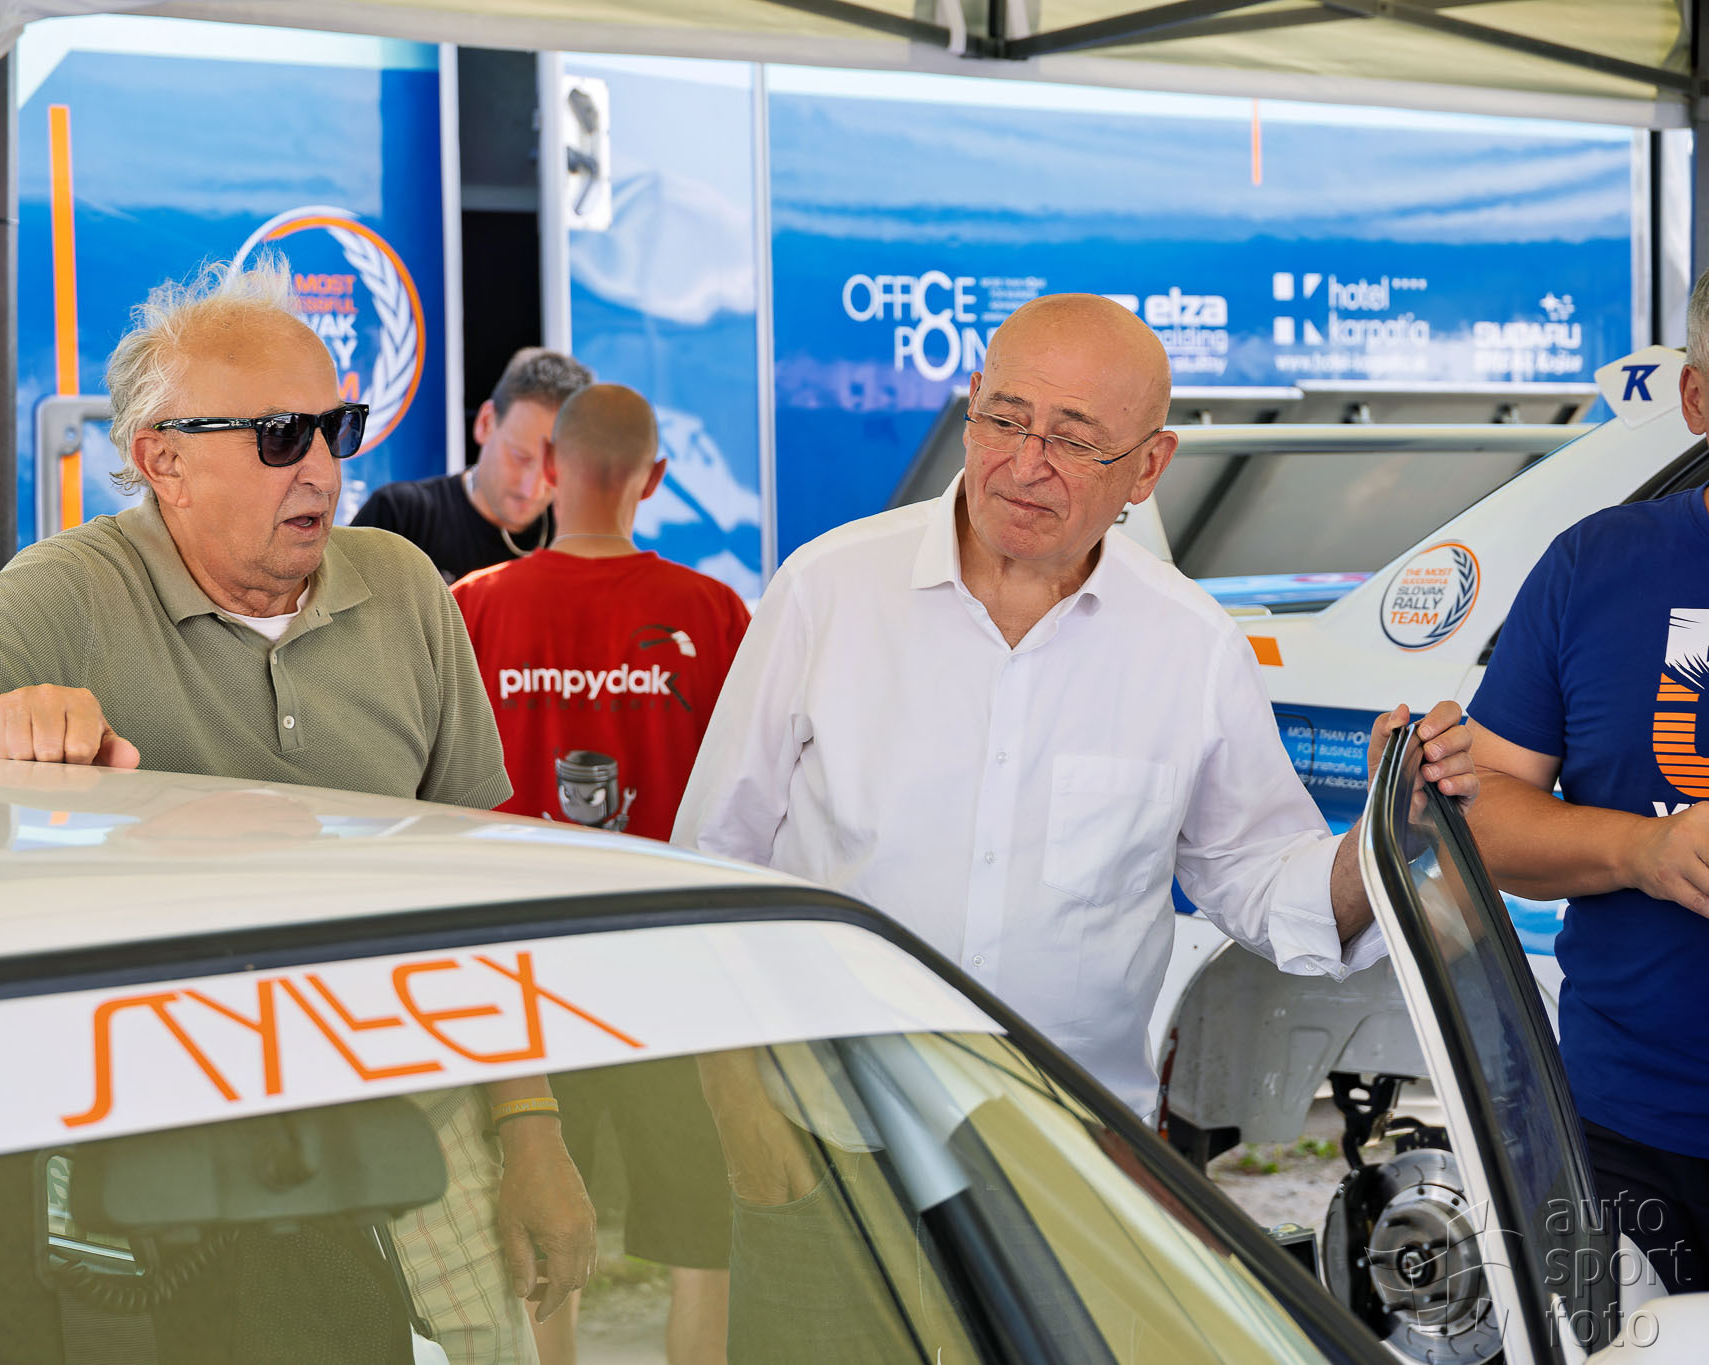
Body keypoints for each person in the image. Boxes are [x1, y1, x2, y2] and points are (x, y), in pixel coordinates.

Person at [0, 257, 593, 1363]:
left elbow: (479, 895)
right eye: (280, 437)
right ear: (164, 462)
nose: (323, 468)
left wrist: (532, 1129)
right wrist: (2, 717)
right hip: (188, 1161)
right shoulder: (82, 584)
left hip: (414, 1107)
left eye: (335, 429)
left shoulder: (405, 589)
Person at [672, 293, 1476, 1120]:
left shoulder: (1189, 645)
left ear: (1149, 466)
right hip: (828, 1127)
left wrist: (1387, 828)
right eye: (1005, 420)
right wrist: (731, 1102)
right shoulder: (827, 590)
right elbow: (711, 862)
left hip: (1069, 1146)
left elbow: (1261, 881)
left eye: (1075, 441)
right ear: (972, 404)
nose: (1026, 464)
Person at [452, 384, 750, 1365]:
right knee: (705, 1242)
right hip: (677, 978)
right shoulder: (713, 614)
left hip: (522, 986)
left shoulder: (473, 607)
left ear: (548, 469)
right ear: (653, 479)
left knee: (543, 1240)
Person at [1463, 277, 1709, 1295]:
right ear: (1696, 399)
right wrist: (1643, 851)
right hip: (1624, 1132)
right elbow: (1482, 814)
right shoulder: (1595, 566)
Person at [354, 348, 592, 583]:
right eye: (520, 457)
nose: (533, 489)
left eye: (554, 468)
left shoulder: (579, 538)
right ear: (485, 423)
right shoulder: (400, 517)